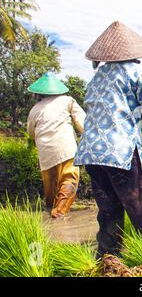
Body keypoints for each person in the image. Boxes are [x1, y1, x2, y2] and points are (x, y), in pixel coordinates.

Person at [74, 21, 142, 259]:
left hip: (91, 152)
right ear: (134, 53)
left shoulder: (97, 78)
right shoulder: (138, 72)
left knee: (109, 211)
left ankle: (108, 264)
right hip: (119, 149)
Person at [27, 73, 86, 218]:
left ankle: (50, 211)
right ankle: (59, 213)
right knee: (69, 178)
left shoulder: (35, 109)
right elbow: (82, 122)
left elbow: (30, 133)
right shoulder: (68, 101)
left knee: (50, 186)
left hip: (45, 152)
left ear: (38, 93)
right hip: (66, 148)